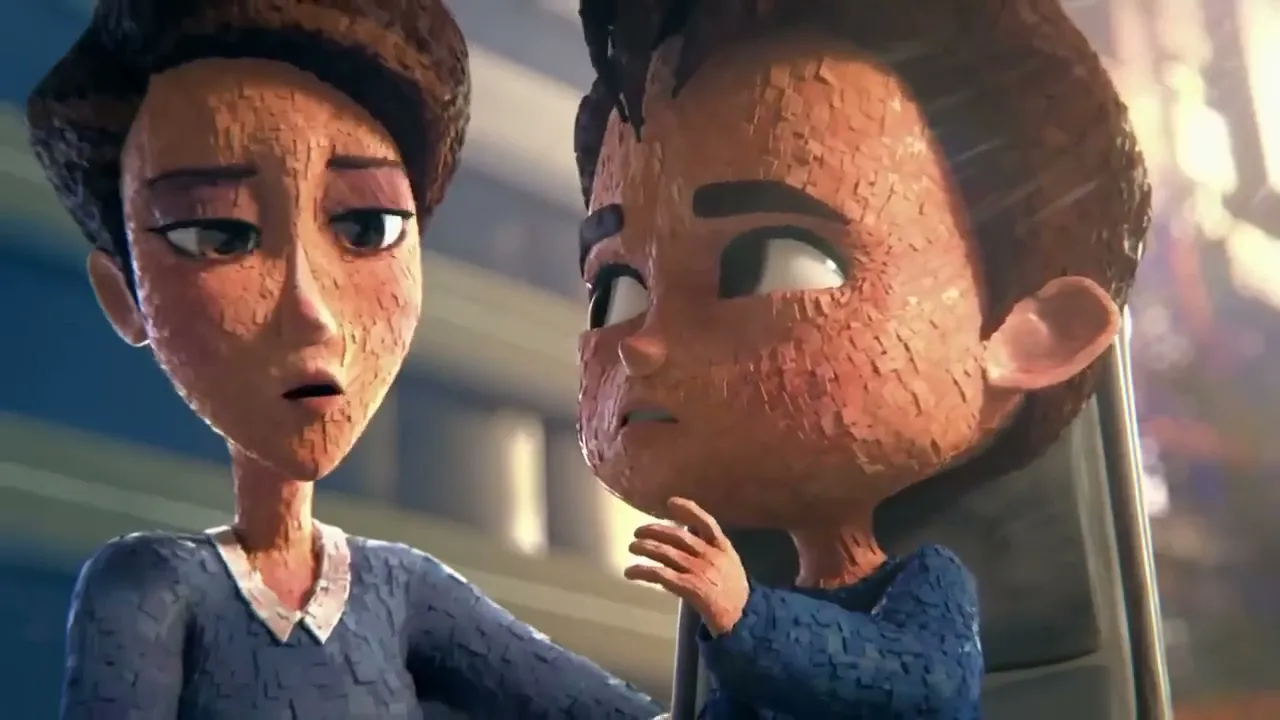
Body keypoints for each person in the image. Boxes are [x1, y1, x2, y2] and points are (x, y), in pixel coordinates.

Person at [28, 1, 663, 718]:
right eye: (216, 235)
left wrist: (737, 627)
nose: (311, 309)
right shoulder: (150, 589)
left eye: (368, 225)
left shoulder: (403, 589)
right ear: (124, 298)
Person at [571, 0, 1150, 717]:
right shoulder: (735, 604)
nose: (641, 343)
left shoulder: (924, 581)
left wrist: (749, 617)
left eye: (771, 260)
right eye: (616, 289)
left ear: (1034, 336)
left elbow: (928, 685)